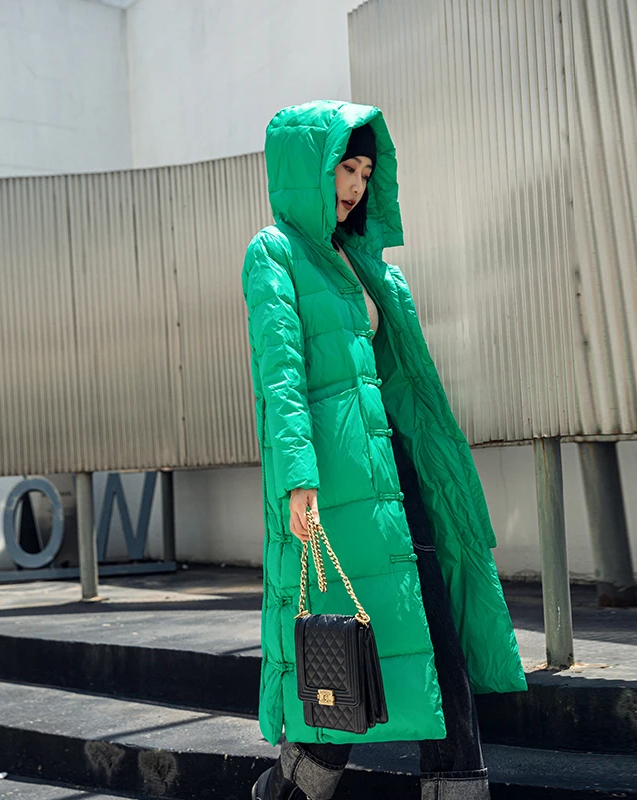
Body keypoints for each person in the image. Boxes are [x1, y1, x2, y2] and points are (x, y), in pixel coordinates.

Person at [242, 100, 526, 800]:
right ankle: (299, 781)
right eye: (345, 166)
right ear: (307, 168)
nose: (356, 185)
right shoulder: (273, 253)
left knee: (435, 622)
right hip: (336, 487)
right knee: (346, 638)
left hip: (404, 474)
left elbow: (406, 386)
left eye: (367, 171)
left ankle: (457, 784)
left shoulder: (371, 267)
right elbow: (282, 380)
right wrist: (299, 479)